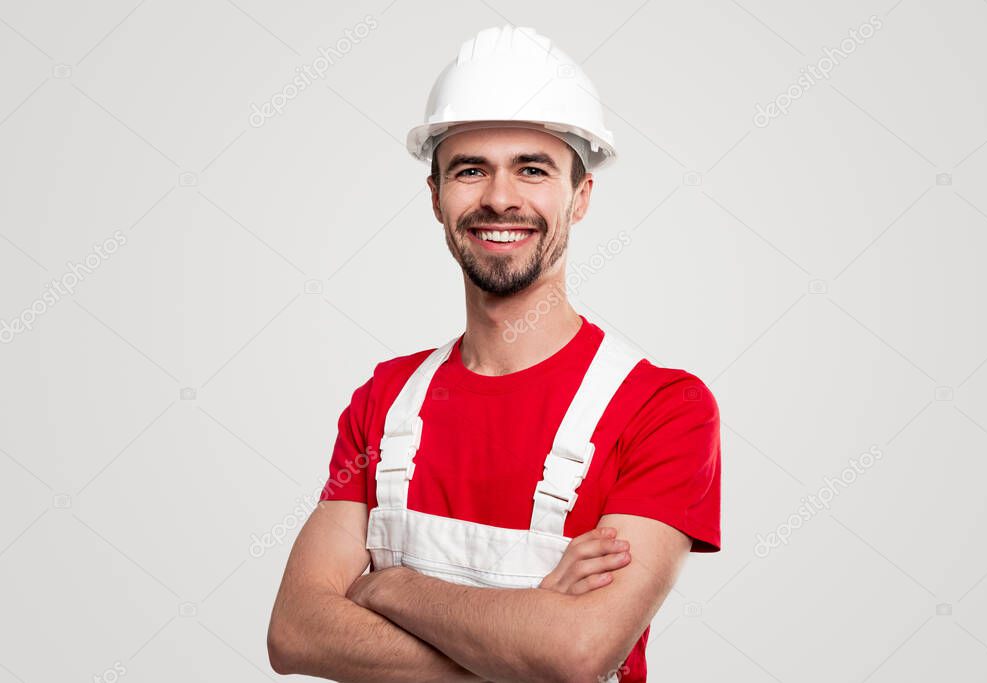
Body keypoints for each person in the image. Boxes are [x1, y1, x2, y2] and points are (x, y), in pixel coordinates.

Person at [267, 24, 721, 682]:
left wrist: (384, 589)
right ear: (436, 197)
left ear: (582, 196)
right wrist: (525, 629)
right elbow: (295, 631)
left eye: (531, 169)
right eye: (470, 169)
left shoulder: (662, 409)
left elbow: (576, 651)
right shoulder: (385, 402)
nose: (500, 197)